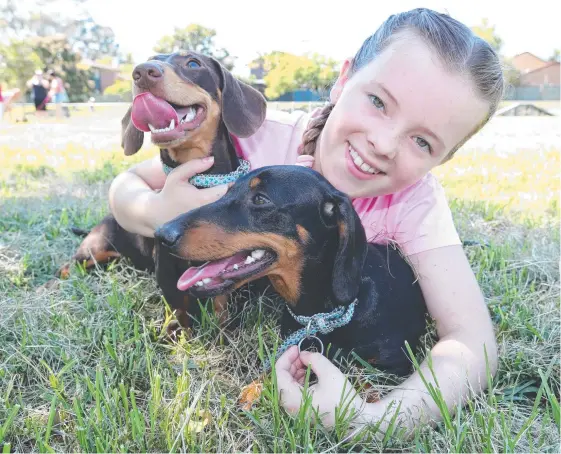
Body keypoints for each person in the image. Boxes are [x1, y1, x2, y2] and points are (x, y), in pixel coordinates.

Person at [107, 8, 504, 436]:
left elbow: (472, 342)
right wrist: (154, 212)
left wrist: (379, 419)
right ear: (344, 78)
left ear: (444, 159)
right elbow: (127, 184)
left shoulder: (416, 203)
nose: (383, 144)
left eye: (423, 141)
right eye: (377, 101)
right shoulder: (260, 139)